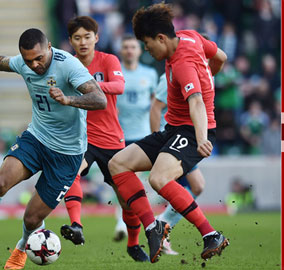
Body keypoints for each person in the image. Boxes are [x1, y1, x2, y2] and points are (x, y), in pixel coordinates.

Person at [0, 28, 107, 270]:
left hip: (67, 154)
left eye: (39, 58)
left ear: (49, 48)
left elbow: (100, 99)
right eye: (28, 60)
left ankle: (21, 248)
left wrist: (69, 100)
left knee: (32, 218)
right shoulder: (23, 63)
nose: (35, 65)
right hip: (36, 138)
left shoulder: (68, 65)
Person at [108, 3, 229, 263]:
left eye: (148, 44)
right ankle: (153, 227)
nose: (148, 51)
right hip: (173, 129)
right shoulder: (191, 36)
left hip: (192, 129)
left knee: (159, 178)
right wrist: (208, 78)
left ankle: (210, 234)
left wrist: (201, 137)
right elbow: (221, 57)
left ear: (161, 38)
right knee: (117, 164)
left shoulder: (183, 62)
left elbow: (195, 100)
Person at [59, 16, 149, 262]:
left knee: (125, 200)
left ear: (96, 38)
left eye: (87, 37)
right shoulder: (68, 64)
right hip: (82, 138)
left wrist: (90, 86)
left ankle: (133, 244)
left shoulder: (108, 60)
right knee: (71, 173)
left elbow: (119, 86)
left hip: (111, 139)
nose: (83, 42)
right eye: (77, 38)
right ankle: (76, 225)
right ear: (71, 41)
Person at [150, 73, 206, 255]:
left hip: (183, 140)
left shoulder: (197, 72)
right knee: (184, 185)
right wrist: (156, 142)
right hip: (171, 141)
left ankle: (162, 225)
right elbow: (156, 108)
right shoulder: (176, 74)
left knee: (197, 186)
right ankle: (160, 228)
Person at [113, 34, 157, 242]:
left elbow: (156, 103)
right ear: (121, 50)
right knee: (122, 184)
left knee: (142, 182)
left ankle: (145, 222)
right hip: (119, 136)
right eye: (126, 47)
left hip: (143, 135)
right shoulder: (115, 72)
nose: (129, 50)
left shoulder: (149, 74)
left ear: (139, 51)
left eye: (133, 47)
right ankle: (127, 222)